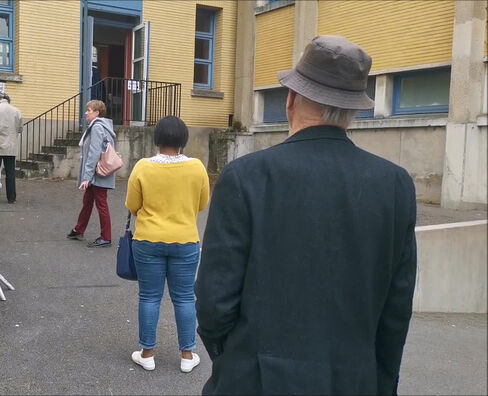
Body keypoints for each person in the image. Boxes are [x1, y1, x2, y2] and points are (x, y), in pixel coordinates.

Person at [195, 35, 417, 395]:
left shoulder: (247, 176)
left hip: (255, 378)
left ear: (291, 100)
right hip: (353, 380)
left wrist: (233, 361)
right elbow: (397, 308)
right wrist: (380, 380)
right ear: (352, 111)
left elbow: (214, 300)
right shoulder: (395, 185)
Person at [125, 116, 210, 373]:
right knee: (184, 298)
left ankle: (147, 353)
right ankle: (187, 355)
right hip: (185, 240)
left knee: (149, 297)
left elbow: (132, 205)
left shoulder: (142, 167)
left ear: (157, 139)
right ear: (184, 140)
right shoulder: (197, 167)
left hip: (148, 240)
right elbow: (203, 203)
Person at [66, 100, 116, 247]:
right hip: (98, 172)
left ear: (97, 113)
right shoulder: (103, 126)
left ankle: (106, 237)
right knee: (88, 201)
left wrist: (87, 177)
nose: (86, 112)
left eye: (89, 110)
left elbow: (94, 153)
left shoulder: (97, 127)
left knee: (101, 203)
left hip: (97, 173)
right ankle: (79, 229)